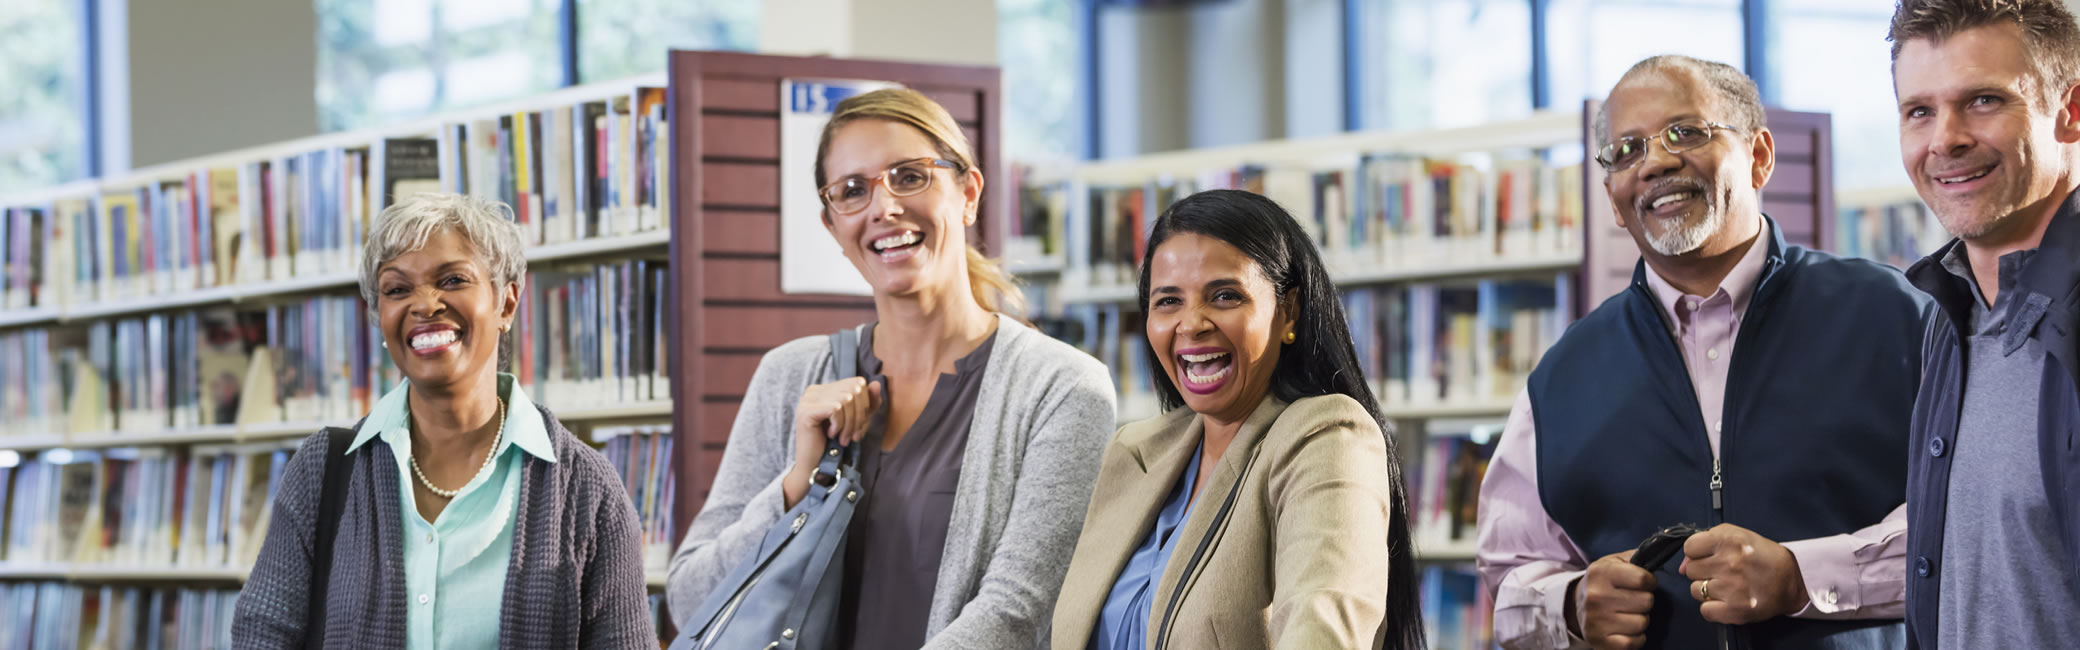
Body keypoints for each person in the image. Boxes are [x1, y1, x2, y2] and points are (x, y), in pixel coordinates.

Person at [1474, 55, 1931, 650]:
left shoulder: (1893, 316)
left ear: (1760, 156)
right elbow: (1509, 576)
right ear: (1613, 199)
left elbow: (1972, 527)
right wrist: (1572, 604)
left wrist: (1801, 578)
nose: (1656, 161)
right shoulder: (1563, 376)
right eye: (1627, 150)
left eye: (1684, 132)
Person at [666, 88, 1117, 650]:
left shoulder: (1062, 388)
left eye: (909, 176)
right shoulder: (789, 376)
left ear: (969, 193)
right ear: (833, 226)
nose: (884, 207)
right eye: (852, 191)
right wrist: (794, 486)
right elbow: (689, 602)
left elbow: (1016, 613)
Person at [231, 193, 652, 648]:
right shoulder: (324, 471)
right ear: (380, 316)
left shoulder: (587, 491)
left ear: (506, 304)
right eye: (397, 289)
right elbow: (261, 637)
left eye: (452, 280)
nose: (425, 304)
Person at [1050, 189, 1425, 650]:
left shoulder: (1325, 436)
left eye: (1225, 296)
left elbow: (1323, 626)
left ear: (1287, 312)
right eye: (1168, 301)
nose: (1192, 323)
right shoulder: (1135, 452)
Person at [1889, 1, 2080, 646]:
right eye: (1919, 111)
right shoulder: (1951, 313)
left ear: (2071, 112)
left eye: (1983, 100)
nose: (1945, 138)